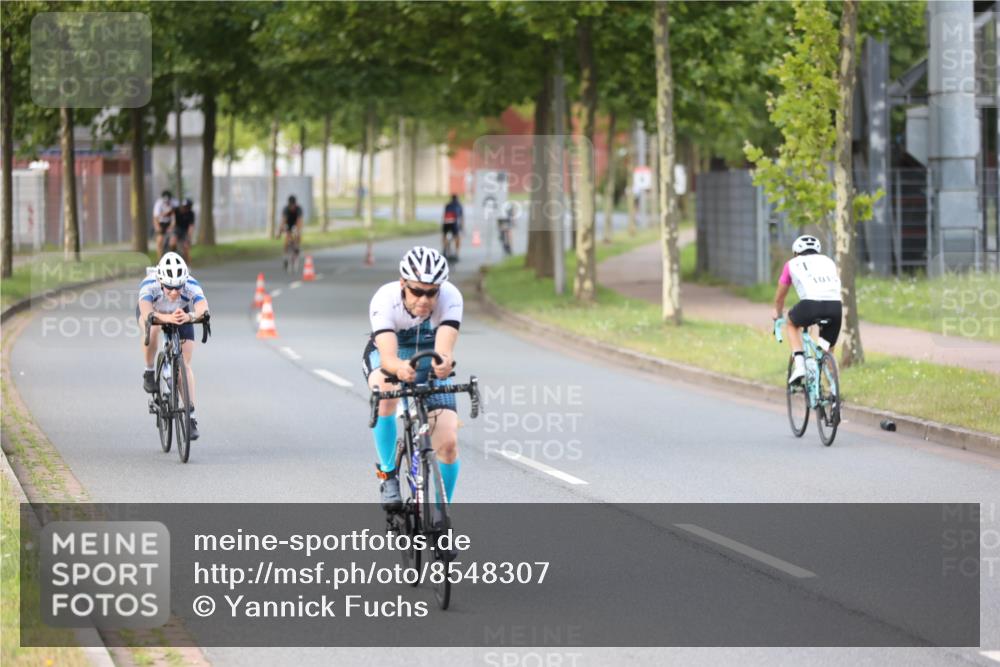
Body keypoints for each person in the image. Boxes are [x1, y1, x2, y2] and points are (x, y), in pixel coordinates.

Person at [362, 246, 463, 510]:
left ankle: (443, 517)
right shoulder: (385, 299)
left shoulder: (451, 297)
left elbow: (443, 350)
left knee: (449, 443)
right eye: (417, 291)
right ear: (403, 284)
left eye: (431, 293)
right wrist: (398, 369)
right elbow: (388, 358)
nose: (424, 299)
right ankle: (387, 474)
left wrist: (443, 364)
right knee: (385, 393)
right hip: (392, 353)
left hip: (427, 353)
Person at [138, 252, 209, 440]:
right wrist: (166, 318)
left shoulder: (191, 284)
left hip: (180, 313)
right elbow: (146, 313)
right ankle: (149, 370)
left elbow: (203, 308)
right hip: (155, 312)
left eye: (178, 287)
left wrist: (190, 317)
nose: (174, 292)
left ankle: (190, 416)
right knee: (151, 328)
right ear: (161, 281)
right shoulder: (149, 284)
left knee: (184, 365)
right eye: (169, 288)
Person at [772, 235, 842, 384]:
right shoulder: (828, 261)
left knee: (791, 323)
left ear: (796, 252)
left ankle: (800, 366)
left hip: (810, 305)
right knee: (827, 351)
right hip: (835, 307)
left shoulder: (791, 264)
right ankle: (834, 397)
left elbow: (780, 297)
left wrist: (777, 314)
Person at [152, 191, 175, 257]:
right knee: (159, 241)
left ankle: (172, 257)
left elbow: (174, 218)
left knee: (173, 242)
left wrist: (171, 226)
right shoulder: (158, 204)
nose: (167, 203)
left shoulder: (173, 203)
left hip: (170, 223)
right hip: (161, 223)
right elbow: (155, 218)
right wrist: (157, 227)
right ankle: (160, 259)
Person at [441, 194, 464, 261]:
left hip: (446, 223)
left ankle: (444, 249)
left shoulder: (447, 205)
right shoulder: (459, 205)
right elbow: (461, 217)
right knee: (457, 237)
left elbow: (444, 215)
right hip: (454, 223)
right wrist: (462, 227)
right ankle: (457, 253)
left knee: (444, 236)